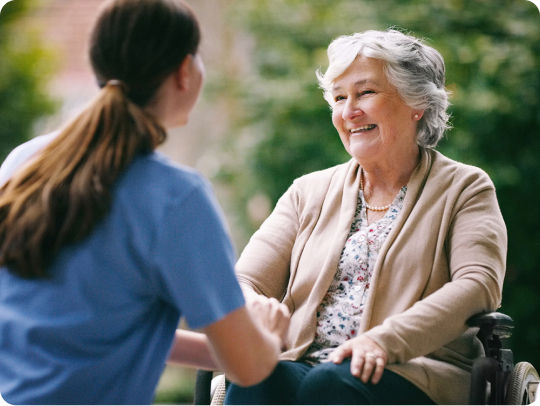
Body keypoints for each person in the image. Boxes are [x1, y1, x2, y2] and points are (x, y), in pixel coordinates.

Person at [0, 0, 289, 404]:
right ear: (184, 73)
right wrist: (268, 339)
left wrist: (225, 347)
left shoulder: (24, 162)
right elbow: (248, 369)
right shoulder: (178, 198)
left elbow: (102, 329)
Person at [224, 29, 507, 405]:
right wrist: (253, 305)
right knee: (255, 378)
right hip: (304, 363)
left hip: (412, 370)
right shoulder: (307, 191)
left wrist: (384, 341)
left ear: (416, 102)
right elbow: (245, 280)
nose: (348, 111)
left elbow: (478, 284)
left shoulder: (464, 188)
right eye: (339, 98)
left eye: (366, 93)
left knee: (330, 385)